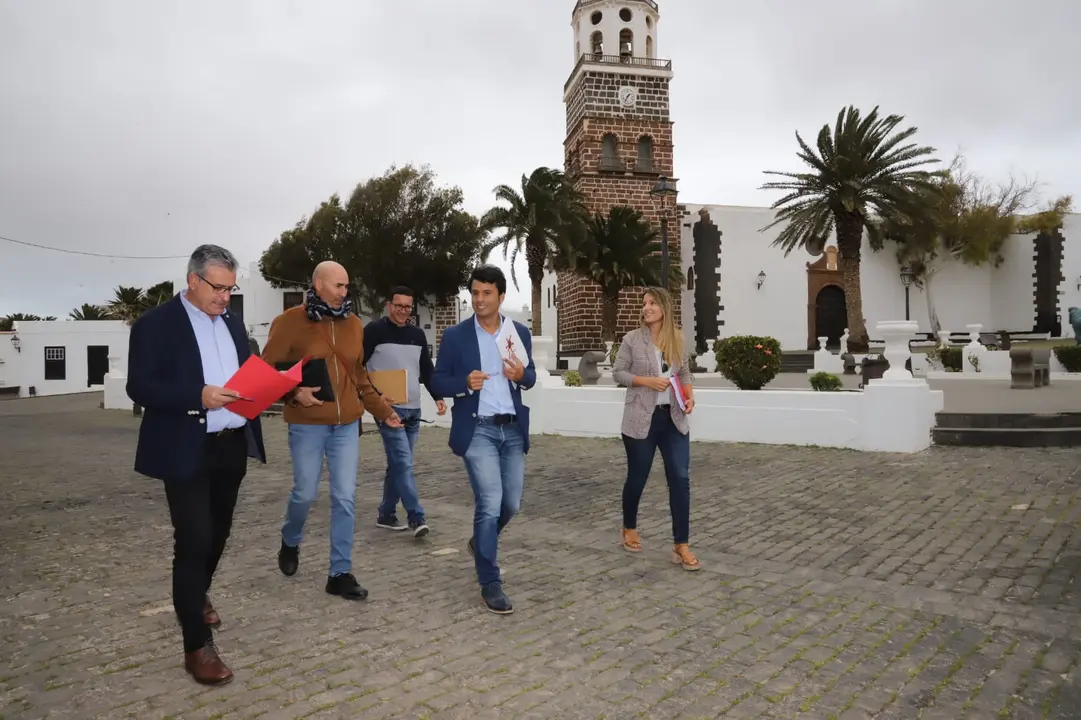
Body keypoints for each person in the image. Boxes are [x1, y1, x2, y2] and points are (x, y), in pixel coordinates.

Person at [127, 244, 267, 685]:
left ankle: (195, 592)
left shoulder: (232, 323)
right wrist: (198, 396)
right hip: (184, 447)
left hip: (229, 446)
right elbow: (140, 388)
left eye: (231, 288)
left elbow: (245, 374)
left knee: (218, 534)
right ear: (193, 281)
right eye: (219, 288)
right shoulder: (155, 325)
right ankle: (196, 645)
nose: (226, 297)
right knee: (193, 539)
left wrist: (280, 389)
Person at [261, 261, 401, 601]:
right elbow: (266, 372)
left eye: (346, 286)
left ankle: (339, 573)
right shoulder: (289, 323)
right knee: (305, 494)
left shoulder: (354, 325)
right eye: (338, 286)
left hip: (346, 425)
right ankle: (290, 540)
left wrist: (384, 411)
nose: (344, 292)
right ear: (317, 284)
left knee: (345, 498)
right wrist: (293, 393)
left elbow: (359, 377)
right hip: (307, 425)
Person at [431, 265, 536, 614]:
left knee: (512, 505)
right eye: (475, 293)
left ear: (501, 296)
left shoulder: (518, 331)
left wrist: (521, 374)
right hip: (478, 430)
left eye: (486, 293)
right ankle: (490, 582)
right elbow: (437, 381)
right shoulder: (456, 336)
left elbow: (531, 376)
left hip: (512, 430)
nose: (479, 299)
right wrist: (464, 382)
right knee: (490, 503)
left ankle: (481, 542)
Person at [611, 286, 701, 571]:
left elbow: (684, 373)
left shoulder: (677, 340)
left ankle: (681, 544)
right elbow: (618, 373)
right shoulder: (632, 340)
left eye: (652, 303)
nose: (646, 307)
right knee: (638, 477)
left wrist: (689, 396)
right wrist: (647, 381)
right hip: (640, 420)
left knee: (680, 477)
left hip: (673, 419)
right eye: (644, 303)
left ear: (664, 308)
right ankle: (628, 527)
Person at [363, 285, 447, 539]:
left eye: (407, 307)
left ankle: (386, 514)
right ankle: (416, 516)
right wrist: (374, 399)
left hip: (413, 410)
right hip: (388, 409)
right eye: (398, 305)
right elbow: (358, 367)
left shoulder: (418, 335)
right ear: (390, 305)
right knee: (403, 463)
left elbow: (426, 371)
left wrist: (438, 397)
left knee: (398, 465)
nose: (402, 310)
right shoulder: (373, 331)